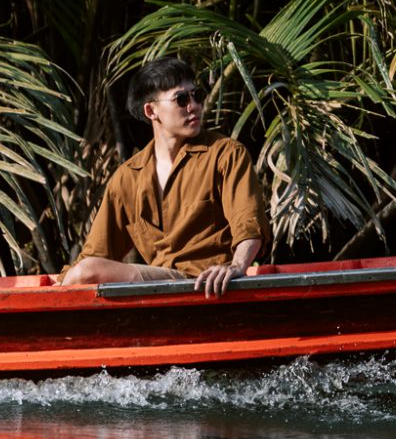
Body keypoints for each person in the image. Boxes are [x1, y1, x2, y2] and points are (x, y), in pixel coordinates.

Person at [61, 56, 267, 296]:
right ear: (151, 110)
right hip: (160, 287)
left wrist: (237, 266)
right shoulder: (128, 177)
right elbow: (97, 252)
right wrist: (61, 282)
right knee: (84, 271)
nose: (194, 106)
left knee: (87, 272)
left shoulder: (225, 154)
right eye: (181, 99)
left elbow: (249, 222)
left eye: (196, 95)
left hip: (207, 282)